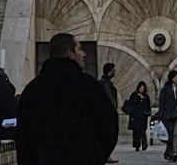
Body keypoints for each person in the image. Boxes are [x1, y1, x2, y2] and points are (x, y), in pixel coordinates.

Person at [16, 33, 117, 165]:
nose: (84, 54)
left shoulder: (32, 89)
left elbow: (23, 136)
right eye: (79, 49)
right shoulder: (89, 86)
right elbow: (109, 126)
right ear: (69, 53)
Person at [158, 69, 177, 162]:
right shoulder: (165, 89)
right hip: (168, 115)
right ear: (172, 78)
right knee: (170, 135)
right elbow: (162, 103)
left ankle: (174, 153)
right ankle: (168, 152)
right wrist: (160, 116)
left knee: (176, 134)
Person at [99, 63, 120, 163]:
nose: (114, 72)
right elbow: (110, 99)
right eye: (113, 70)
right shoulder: (105, 83)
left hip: (104, 113)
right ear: (109, 71)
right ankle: (106, 155)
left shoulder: (104, 82)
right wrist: (113, 112)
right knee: (108, 136)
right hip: (106, 114)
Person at [125, 81, 152, 150]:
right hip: (136, 115)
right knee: (136, 131)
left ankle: (144, 143)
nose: (142, 90)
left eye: (143, 88)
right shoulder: (134, 95)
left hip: (143, 115)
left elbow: (148, 106)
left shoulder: (146, 96)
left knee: (143, 130)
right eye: (141, 88)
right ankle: (137, 145)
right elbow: (131, 104)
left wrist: (147, 112)